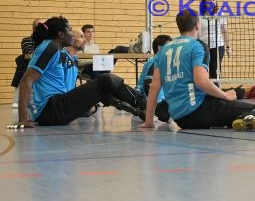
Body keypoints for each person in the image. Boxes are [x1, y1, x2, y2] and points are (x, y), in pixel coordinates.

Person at [141, 9, 255, 131]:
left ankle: (234, 119)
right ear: (198, 25)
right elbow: (201, 82)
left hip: (180, 119)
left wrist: (149, 122)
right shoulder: (196, 46)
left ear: (179, 26)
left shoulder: (163, 50)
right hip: (199, 111)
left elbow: (154, 87)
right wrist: (225, 95)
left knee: (228, 98)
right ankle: (244, 119)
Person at [10, 16, 150, 128]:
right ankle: (149, 105)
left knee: (102, 91)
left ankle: (142, 111)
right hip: (52, 109)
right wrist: (23, 119)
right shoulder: (50, 47)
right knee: (106, 80)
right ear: (60, 34)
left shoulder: (53, 49)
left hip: (52, 110)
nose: (72, 34)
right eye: (70, 31)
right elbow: (25, 81)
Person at [136, 34, 172, 122]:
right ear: (160, 48)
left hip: (148, 101)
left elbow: (140, 84)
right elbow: (149, 85)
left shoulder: (148, 63)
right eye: (169, 46)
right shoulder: (160, 62)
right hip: (158, 102)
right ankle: (155, 112)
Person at [199, 0, 231, 82]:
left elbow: (225, 31)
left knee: (215, 71)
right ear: (204, 2)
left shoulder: (220, 14)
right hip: (203, 47)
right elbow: (197, 32)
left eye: (213, 0)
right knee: (203, 70)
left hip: (218, 46)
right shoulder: (200, 16)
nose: (211, 1)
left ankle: (216, 92)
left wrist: (228, 47)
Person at [11, 18, 43, 108]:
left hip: (44, 65)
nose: (41, 29)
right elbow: (29, 53)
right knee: (22, 65)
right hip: (30, 64)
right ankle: (17, 99)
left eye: (43, 27)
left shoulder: (48, 42)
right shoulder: (26, 40)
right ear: (33, 28)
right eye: (38, 26)